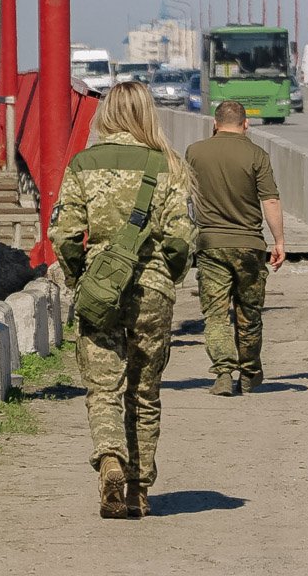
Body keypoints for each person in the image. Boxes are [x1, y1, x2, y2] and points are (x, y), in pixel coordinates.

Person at [48, 81, 197, 520]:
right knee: (145, 392)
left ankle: (110, 458)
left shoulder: (82, 164)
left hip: (101, 290)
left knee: (103, 387)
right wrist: (167, 276)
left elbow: (64, 234)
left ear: (107, 113)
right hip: (152, 291)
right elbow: (182, 237)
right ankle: (138, 489)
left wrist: (81, 278)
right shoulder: (168, 165)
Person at [185, 100, 286, 397]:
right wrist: (279, 241)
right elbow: (270, 201)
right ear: (245, 124)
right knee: (249, 314)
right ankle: (249, 372)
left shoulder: (194, 152)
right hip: (249, 246)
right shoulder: (257, 155)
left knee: (216, 315)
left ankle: (222, 374)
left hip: (211, 245)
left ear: (215, 123)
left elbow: (185, 195)